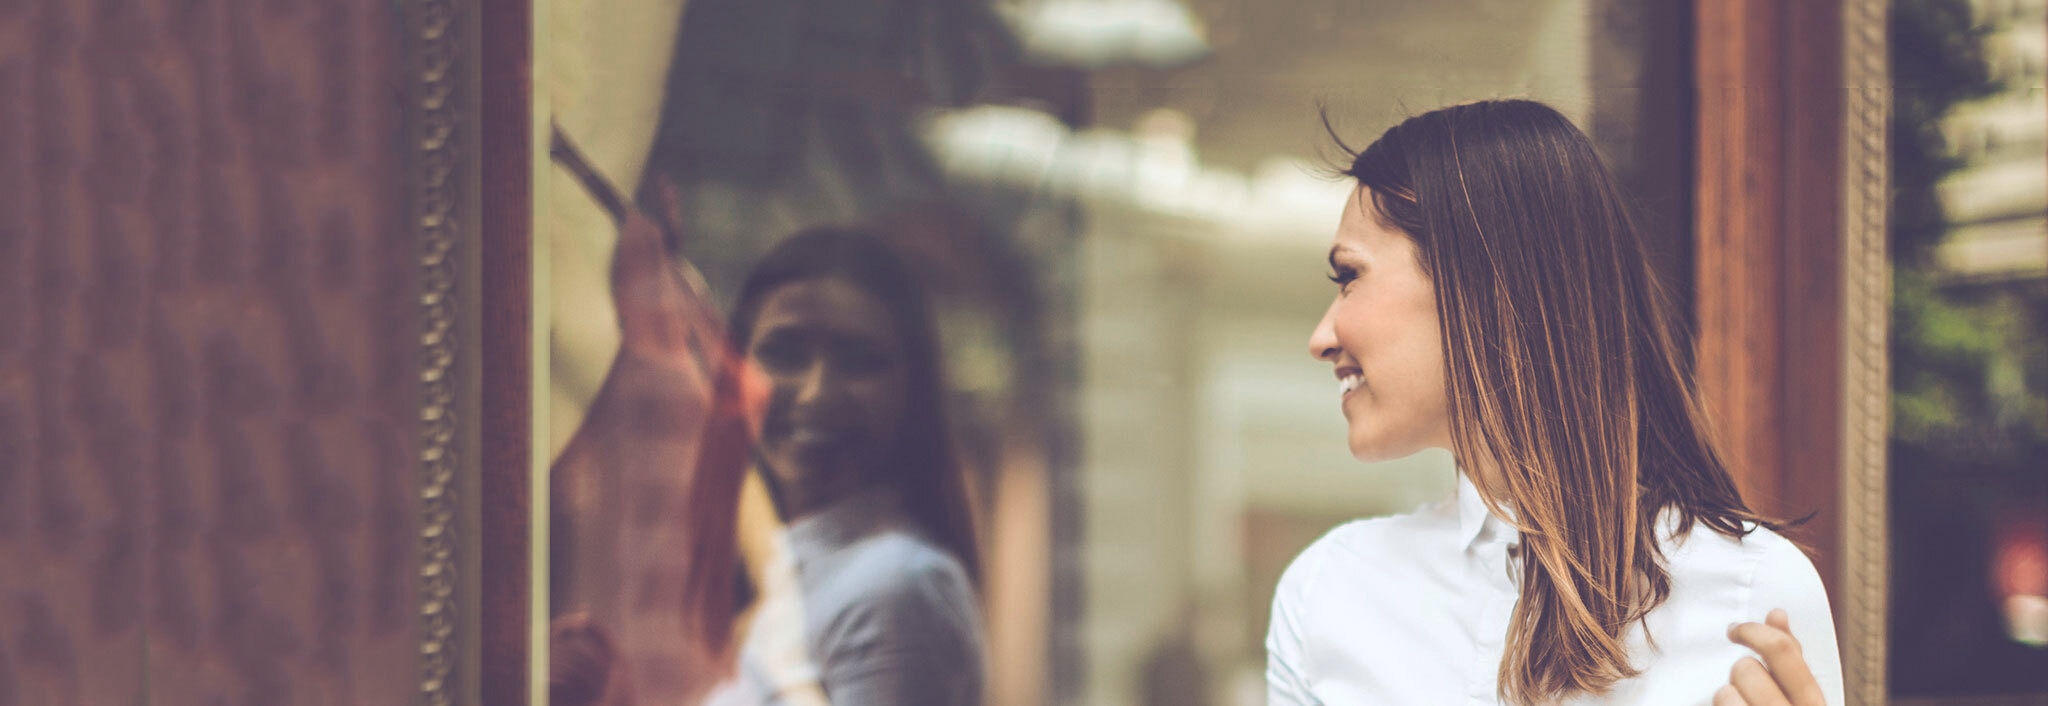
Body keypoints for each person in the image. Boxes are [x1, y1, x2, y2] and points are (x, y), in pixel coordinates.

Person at [1265, 100, 1843, 706]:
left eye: (1349, 276)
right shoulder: (1329, 593)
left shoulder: (1754, 595)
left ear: (1480, 281)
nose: (1321, 338)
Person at [703, 226, 988, 706]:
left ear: (912, 391)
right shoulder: (773, 566)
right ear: (736, 372)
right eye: (785, 353)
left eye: (860, 360)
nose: (817, 393)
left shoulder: (896, 587)